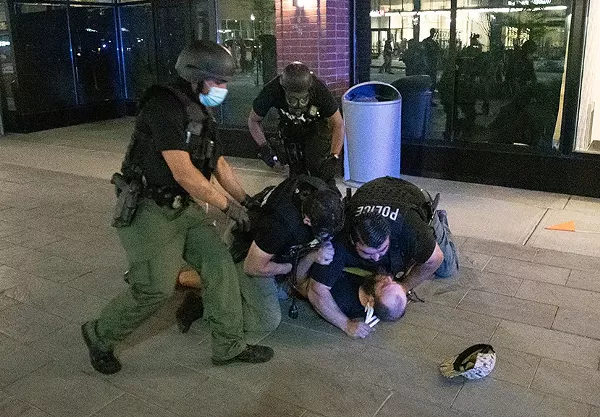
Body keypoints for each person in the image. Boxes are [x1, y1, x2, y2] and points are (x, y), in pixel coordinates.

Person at [81, 40, 275, 375]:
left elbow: (219, 164)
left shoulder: (201, 110)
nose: (224, 88)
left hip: (183, 207)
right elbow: (184, 173)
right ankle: (99, 335)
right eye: (219, 81)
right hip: (148, 208)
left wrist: (246, 200)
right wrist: (229, 208)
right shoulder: (163, 106)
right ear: (196, 76)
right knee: (155, 288)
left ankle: (228, 346)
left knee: (220, 265)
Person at [174, 175, 346, 332]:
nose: (328, 238)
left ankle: (197, 277)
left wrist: (313, 254)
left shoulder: (327, 199)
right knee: (267, 319)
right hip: (248, 250)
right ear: (307, 220)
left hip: (276, 249)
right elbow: (252, 267)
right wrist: (288, 267)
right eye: (323, 233)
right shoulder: (281, 225)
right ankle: (203, 302)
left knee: (283, 292)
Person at [305, 176, 459, 338]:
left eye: (382, 249)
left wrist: (404, 286)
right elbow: (316, 290)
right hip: (370, 190)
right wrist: (346, 324)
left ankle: (439, 221)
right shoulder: (341, 238)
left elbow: (435, 259)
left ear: (389, 236)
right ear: (353, 242)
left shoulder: (408, 229)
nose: (377, 257)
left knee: (447, 269)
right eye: (369, 253)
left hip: (410, 196)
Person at [248, 62, 344, 184]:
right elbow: (253, 120)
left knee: (318, 168)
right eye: (293, 99)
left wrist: (334, 156)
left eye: (303, 99)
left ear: (309, 90)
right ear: (284, 90)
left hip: (317, 126)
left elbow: (338, 123)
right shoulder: (272, 90)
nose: (298, 105)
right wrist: (264, 146)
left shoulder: (319, 89)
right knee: (296, 173)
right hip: (289, 127)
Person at [422, 28, 441, 94]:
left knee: (432, 79)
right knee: (430, 79)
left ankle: (430, 94)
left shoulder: (433, 42)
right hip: (429, 63)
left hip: (432, 63)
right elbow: (424, 53)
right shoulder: (429, 42)